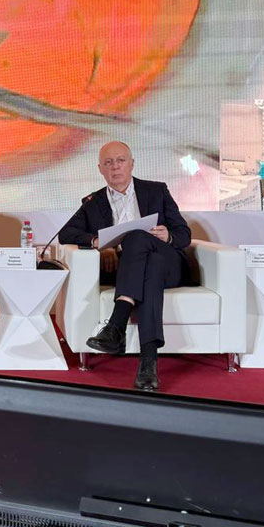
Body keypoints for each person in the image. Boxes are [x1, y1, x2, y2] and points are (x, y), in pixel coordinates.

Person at [58, 141, 191, 391]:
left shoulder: (156, 191)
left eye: (120, 160)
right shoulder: (93, 201)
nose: (115, 167)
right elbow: (66, 233)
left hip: (170, 265)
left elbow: (184, 234)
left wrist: (168, 235)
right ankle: (148, 363)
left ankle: (116, 323)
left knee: (139, 239)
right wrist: (97, 242)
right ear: (100, 169)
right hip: (134, 270)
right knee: (149, 266)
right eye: (108, 163)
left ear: (131, 164)